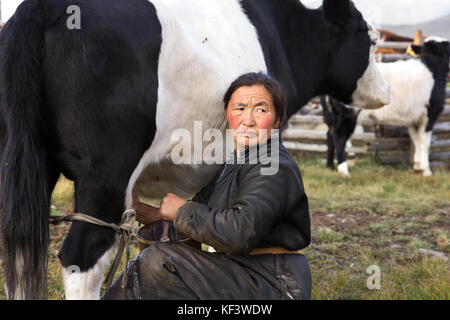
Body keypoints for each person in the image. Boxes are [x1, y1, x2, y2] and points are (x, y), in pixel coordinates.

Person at [102, 72, 311, 300]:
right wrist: (137, 209)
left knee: (158, 262)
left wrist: (182, 211)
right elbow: (199, 218)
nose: (248, 120)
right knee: (152, 262)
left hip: (274, 282)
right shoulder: (236, 162)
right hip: (241, 271)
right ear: (227, 115)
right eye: (239, 108)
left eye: (261, 109)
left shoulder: (273, 165)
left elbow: (240, 231)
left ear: (278, 120)